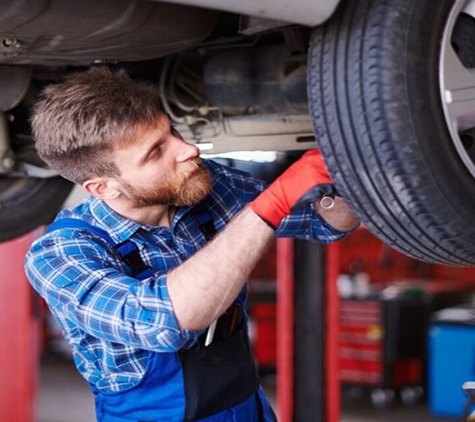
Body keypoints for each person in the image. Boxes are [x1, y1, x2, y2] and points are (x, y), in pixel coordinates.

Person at [25, 68, 359, 422]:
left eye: (172, 132)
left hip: (245, 406)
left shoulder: (202, 184)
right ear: (102, 187)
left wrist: (354, 179)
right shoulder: (60, 254)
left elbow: (322, 223)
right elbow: (165, 322)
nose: (189, 149)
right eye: (156, 152)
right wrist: (269, 206)